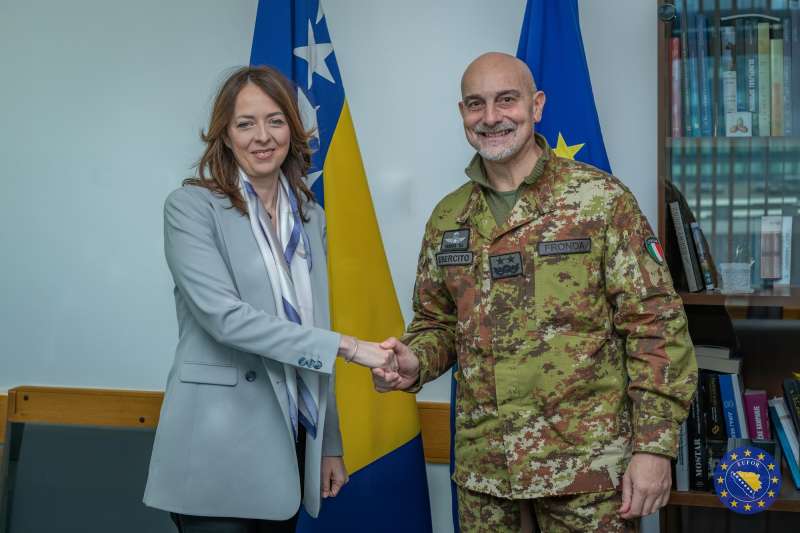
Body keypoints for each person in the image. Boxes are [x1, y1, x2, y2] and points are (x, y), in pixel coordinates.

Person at [373, 52, 697, 532]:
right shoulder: (448, 217)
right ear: (462, 113)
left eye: (506, 100)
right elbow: (437, 324)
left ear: (536, 105)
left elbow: (656, 327)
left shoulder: (600, 201)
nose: (491, 117)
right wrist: (414, 361)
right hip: (486, 475)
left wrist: (654, 446)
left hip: (586, 473)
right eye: (476, 104)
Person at [144, 65, 396, 533]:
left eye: (275, 121)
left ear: (292, 131)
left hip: (290, 442)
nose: (262, 136)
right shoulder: (190, 208)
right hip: (215, 445)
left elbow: (313, 326)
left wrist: (329, 443)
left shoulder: (311, 217)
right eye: (245, 123)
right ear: (225, 135)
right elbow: (225, 319)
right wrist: (348, 347)